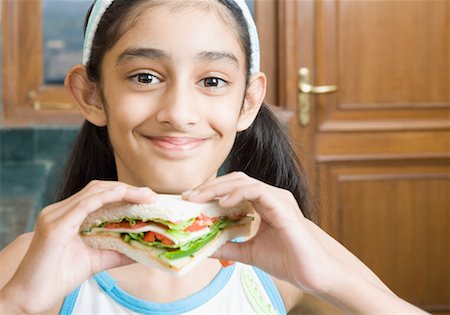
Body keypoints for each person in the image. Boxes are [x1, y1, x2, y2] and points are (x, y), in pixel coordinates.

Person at [0, 0, 429, 314]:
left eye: (212, 80)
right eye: (145, 77)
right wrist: (17, 305)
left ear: (247, 102)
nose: (179, 114)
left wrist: (333, 282)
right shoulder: (32, 262)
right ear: (91, 95)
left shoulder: (294, 253)